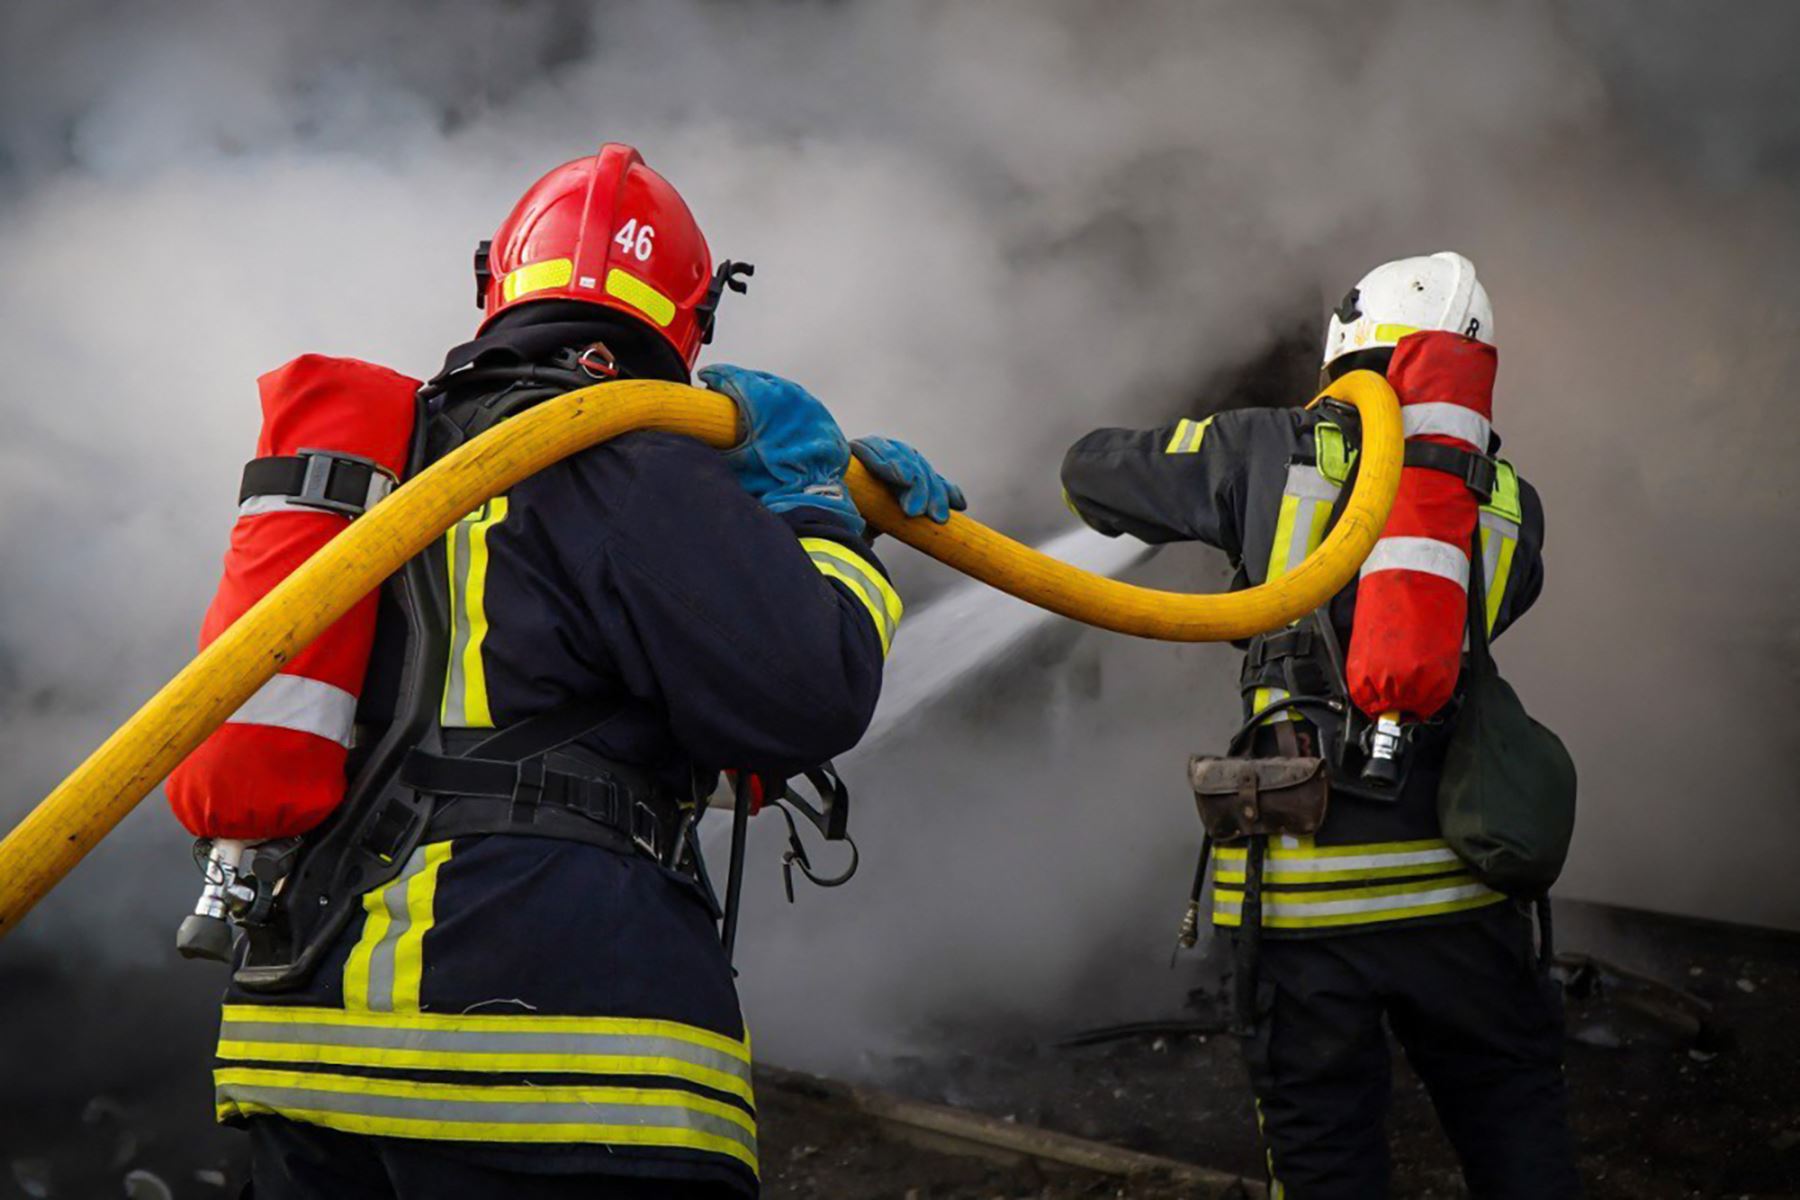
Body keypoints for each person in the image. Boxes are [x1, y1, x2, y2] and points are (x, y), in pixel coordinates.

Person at [202, 143, 961, 1199]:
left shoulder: (379, 469)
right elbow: (812, 692)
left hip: (307, 1047)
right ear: (694, 321)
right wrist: (819, 516)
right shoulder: (637, 463)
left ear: (493, 285)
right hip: (551, 1064)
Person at [1060, 253, 1580, 1197]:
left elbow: (1089, 476)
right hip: (1465, 896)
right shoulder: (1510, 504)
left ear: (1353, 342)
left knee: (1327, 1156)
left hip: (1306, 905)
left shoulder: (1267, 447)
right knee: (1515, 1121)